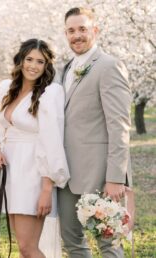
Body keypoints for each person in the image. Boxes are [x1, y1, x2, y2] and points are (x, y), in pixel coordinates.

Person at [0, 38, 70, 258]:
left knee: (29, 248)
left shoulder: (50, 93)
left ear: (47, 66)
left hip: (33, 172)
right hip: (11, 171)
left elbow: (52, 141)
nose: (33, 66)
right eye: (29, 59)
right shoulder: (5, 89)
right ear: (20, 60)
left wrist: (47, 189)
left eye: (40, 61)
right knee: (22, 247)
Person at [57, 7, 132, 258]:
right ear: (65, 34)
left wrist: (115, 177)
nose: (76, 35)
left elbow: (119, 125)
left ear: (95, 31)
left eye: (82, 29)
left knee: (108, 243)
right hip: (66, 174)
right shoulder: (64, 70)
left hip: (100, 175)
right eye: (71, 30)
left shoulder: (109, 66)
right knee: (71, 240)